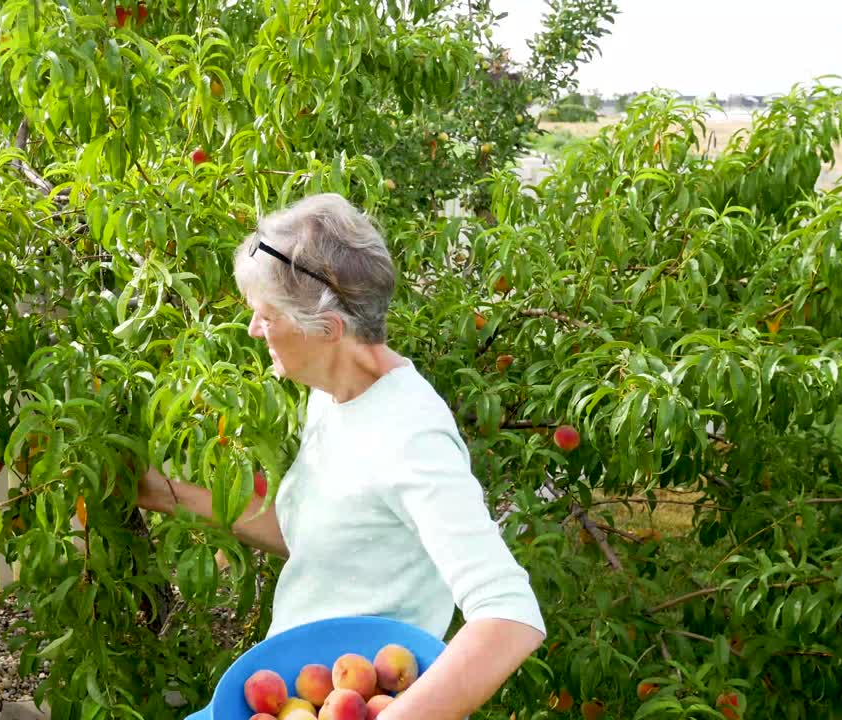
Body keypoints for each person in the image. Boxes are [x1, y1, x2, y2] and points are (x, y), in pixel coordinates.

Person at [137, 193, 546, 719]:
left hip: (365, 702)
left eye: (266, 316)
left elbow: (510, 617)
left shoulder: (411, 437)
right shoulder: (333, 394)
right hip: (301, 693)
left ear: (328, 330)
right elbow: (317, 535)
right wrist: (161, 494)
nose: (254, 330)